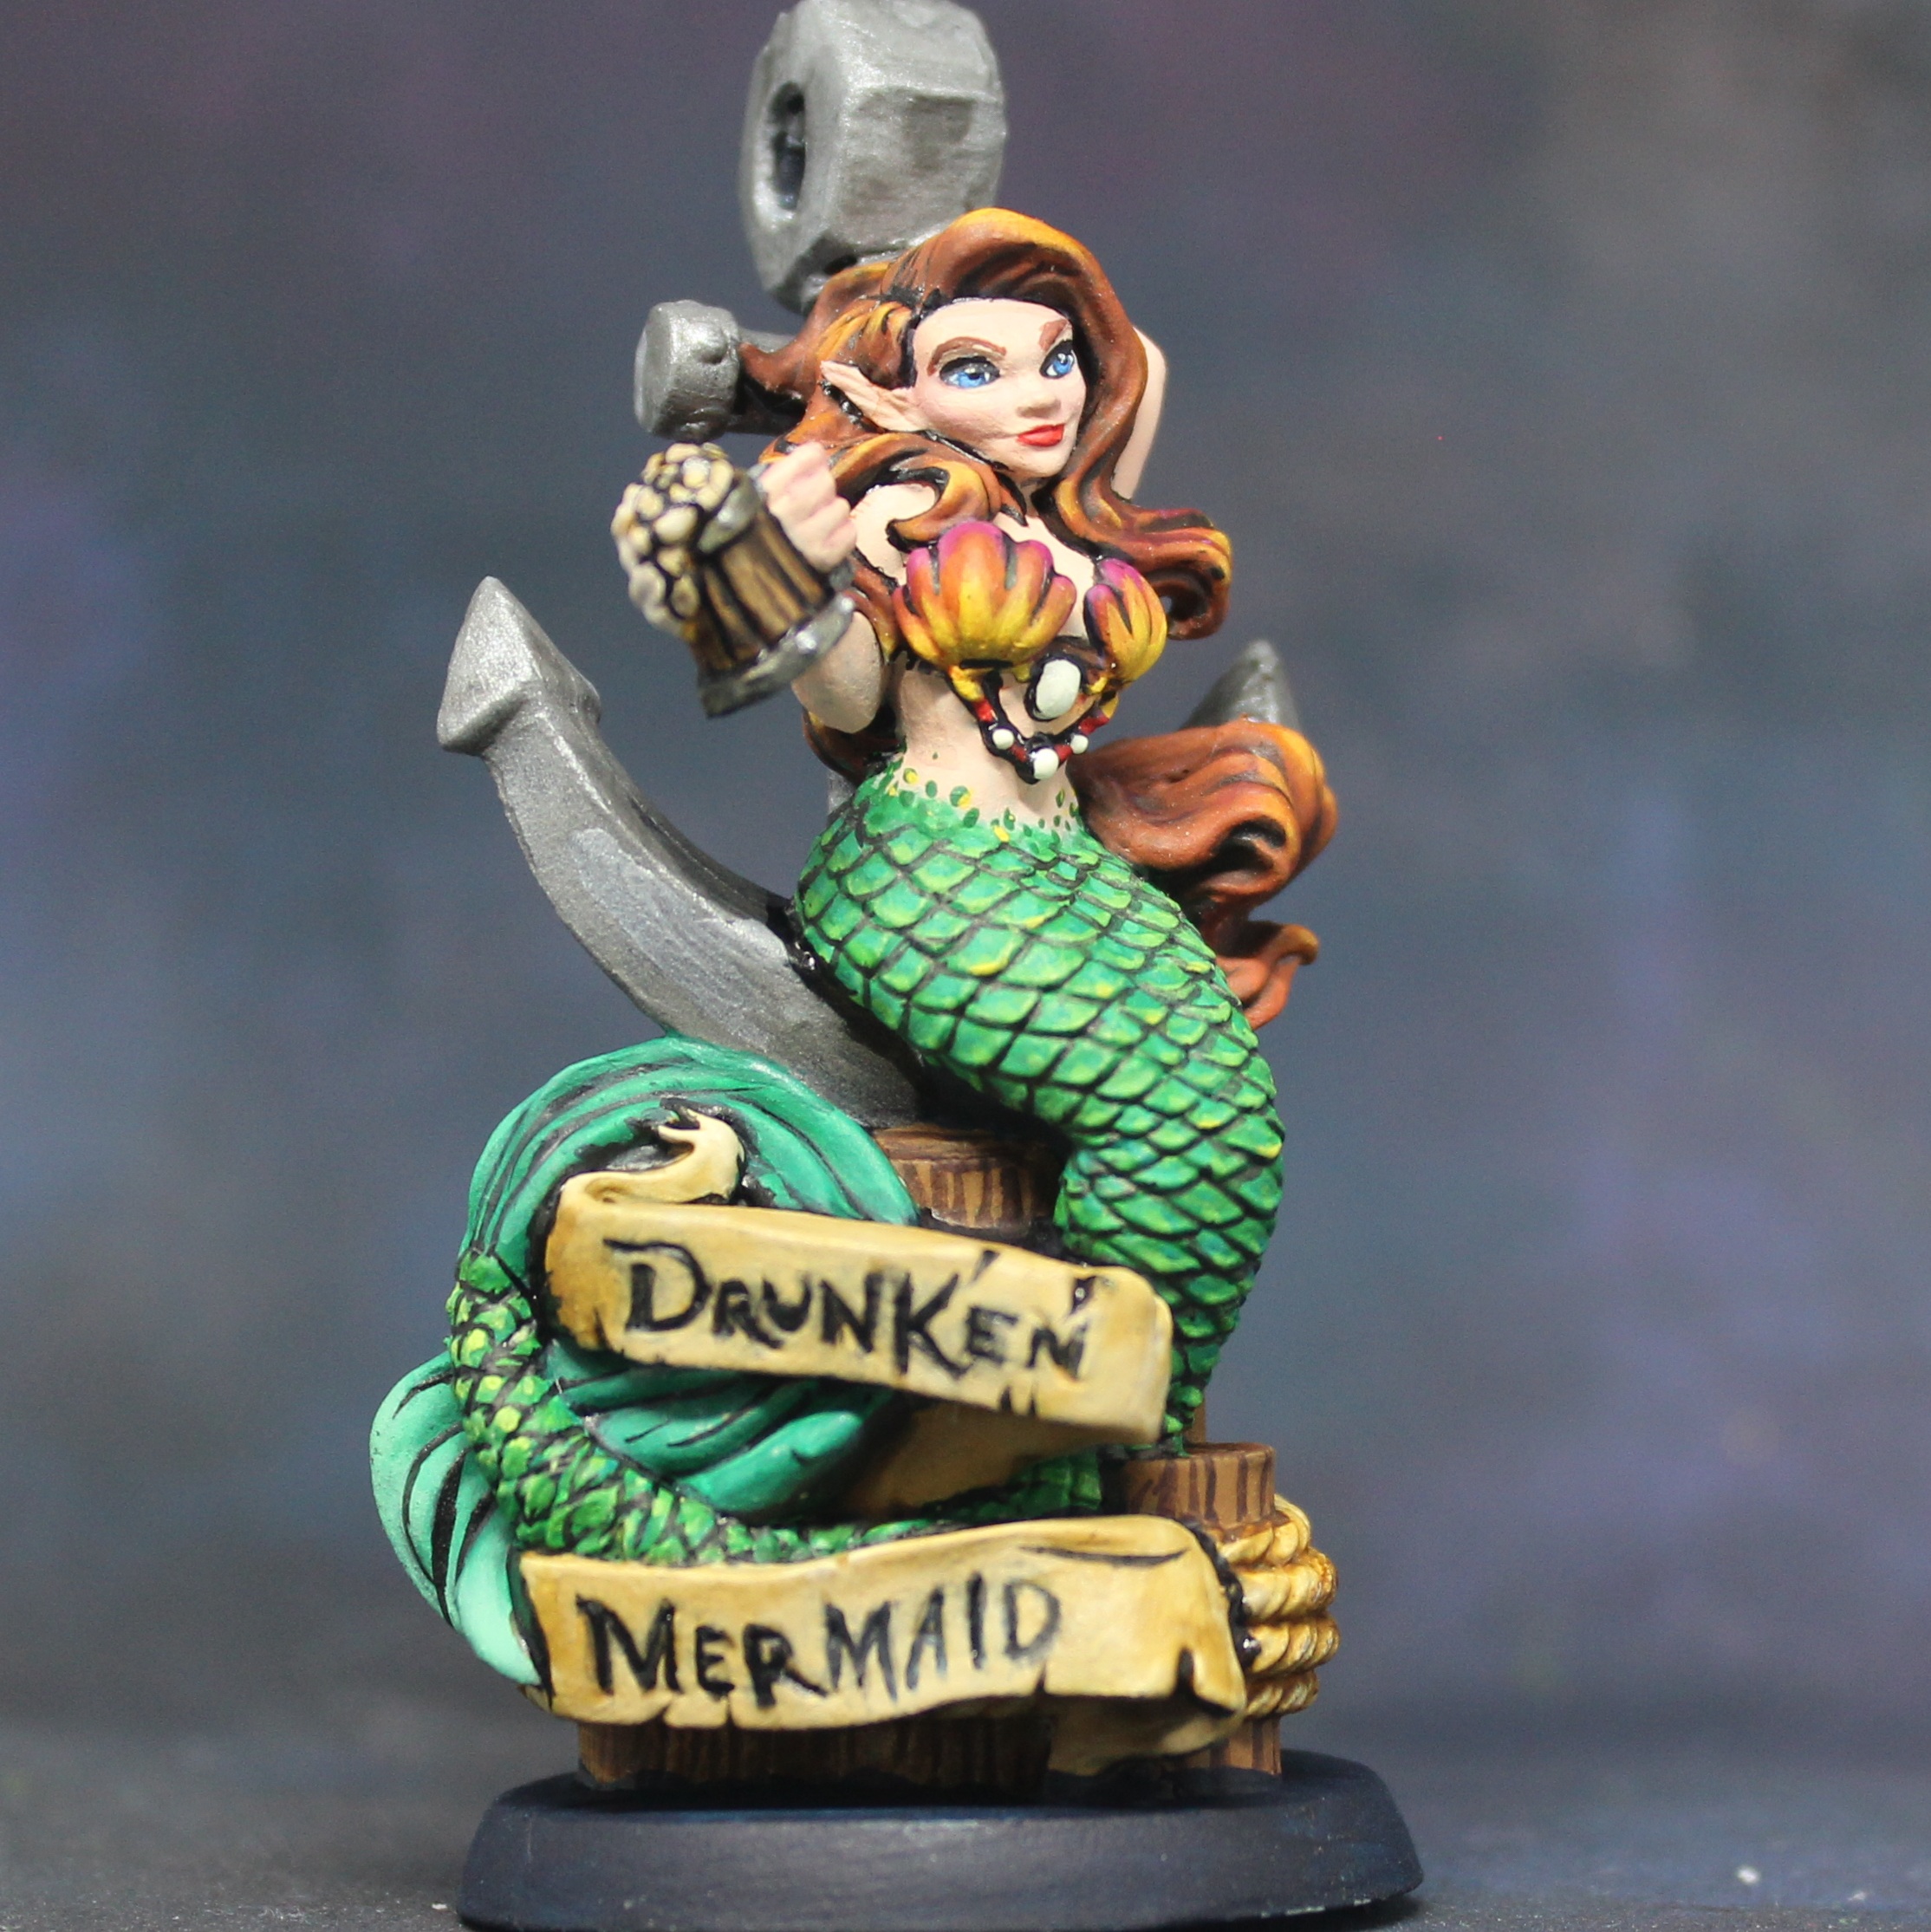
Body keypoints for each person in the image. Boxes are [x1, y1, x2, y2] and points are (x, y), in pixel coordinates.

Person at [738, 208, 1281, 1442]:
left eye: (1057, 359)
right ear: (898, 390)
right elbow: (849, 698)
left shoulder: (1070, 508)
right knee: (1167, 1115)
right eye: (975, 370)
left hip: (1062, 864)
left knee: (1229, 1122)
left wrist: (1007, 308)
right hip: (929, 873)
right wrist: (785, 573)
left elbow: (1138, 358)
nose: (1038, 395)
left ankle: (1116, 1431)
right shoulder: (895, 514)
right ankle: (1073, 1437)